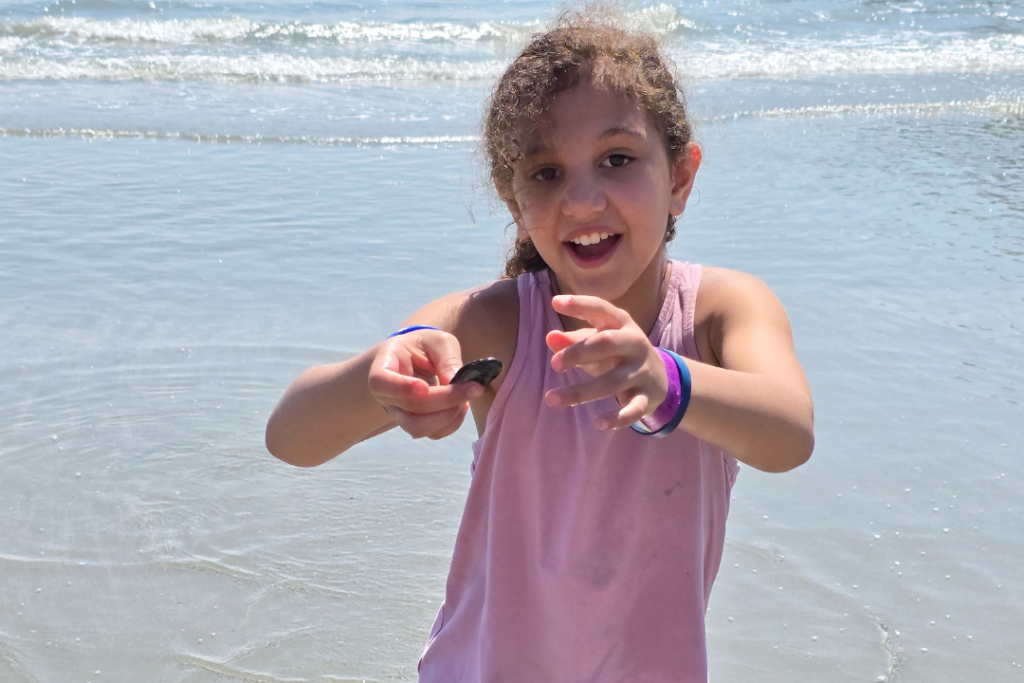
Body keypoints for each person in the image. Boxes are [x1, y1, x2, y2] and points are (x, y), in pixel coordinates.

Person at [266, 8, 814, 682]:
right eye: (546, 173)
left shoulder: (718, 313)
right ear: (512, 194)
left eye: (618, 160)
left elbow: (789, 433)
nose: (582, 200)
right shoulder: (496, 321)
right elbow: (290, 436)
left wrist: (667, 378)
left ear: (679, 177)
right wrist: (380, 380)